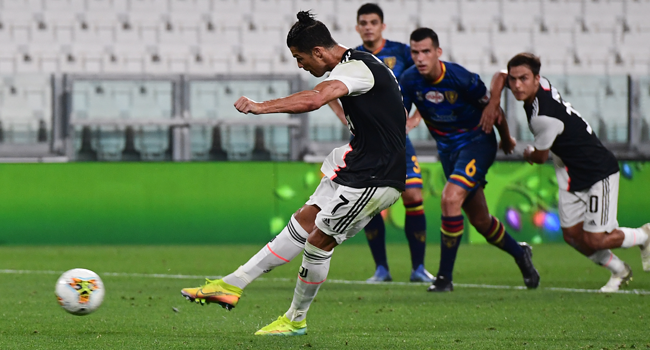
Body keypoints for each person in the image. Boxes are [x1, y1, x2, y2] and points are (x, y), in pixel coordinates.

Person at [181, 11, 407, 336]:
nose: (300, 66)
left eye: (300, 58)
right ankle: (232, 284)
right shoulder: (360, 67)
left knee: (319, 240)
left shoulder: (357, 67)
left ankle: (295, 320)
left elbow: (316, 98)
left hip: (377, 176)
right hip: (358, 164)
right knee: (305, 218)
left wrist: (261, 107)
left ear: (318, 52)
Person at [482, 52, 650, 292]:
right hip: (572, 172)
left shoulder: (543, 117)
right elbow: (500, 75)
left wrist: (526, 150)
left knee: (595, 238)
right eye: (514, 79)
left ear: (536, 79)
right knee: (572, 236)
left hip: (597, 171)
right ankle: (619, 270)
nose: (517, 85)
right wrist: (494, 103)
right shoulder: (541, 86)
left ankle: (644, 235)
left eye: (524, 79)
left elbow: (539, 157)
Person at [399, 28, 540, 292]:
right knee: (481, 221)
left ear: (438, 52)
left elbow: (492, 110)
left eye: (426, 51)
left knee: (449, 198)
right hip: (447, 151)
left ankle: (444, 278)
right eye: (415, 52)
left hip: (476, 143)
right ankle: (520, 253)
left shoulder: (460, 77)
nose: (420, 57)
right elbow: (400, 116)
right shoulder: (408, 80)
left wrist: (506, 139)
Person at [329, 3, 432, 283]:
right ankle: (381, 269)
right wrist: (344, 118)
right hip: (365, 142)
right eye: (363, 22)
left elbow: (426, 81)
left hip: (397, 139)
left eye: (373, 22)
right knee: (368, 201)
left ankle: (418, 268)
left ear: (382, 26)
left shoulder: (401, 53)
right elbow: (329, 92)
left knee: (413, 196)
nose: (368, 26)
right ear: (357, 27)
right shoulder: (350, 58)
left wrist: (416, 118)